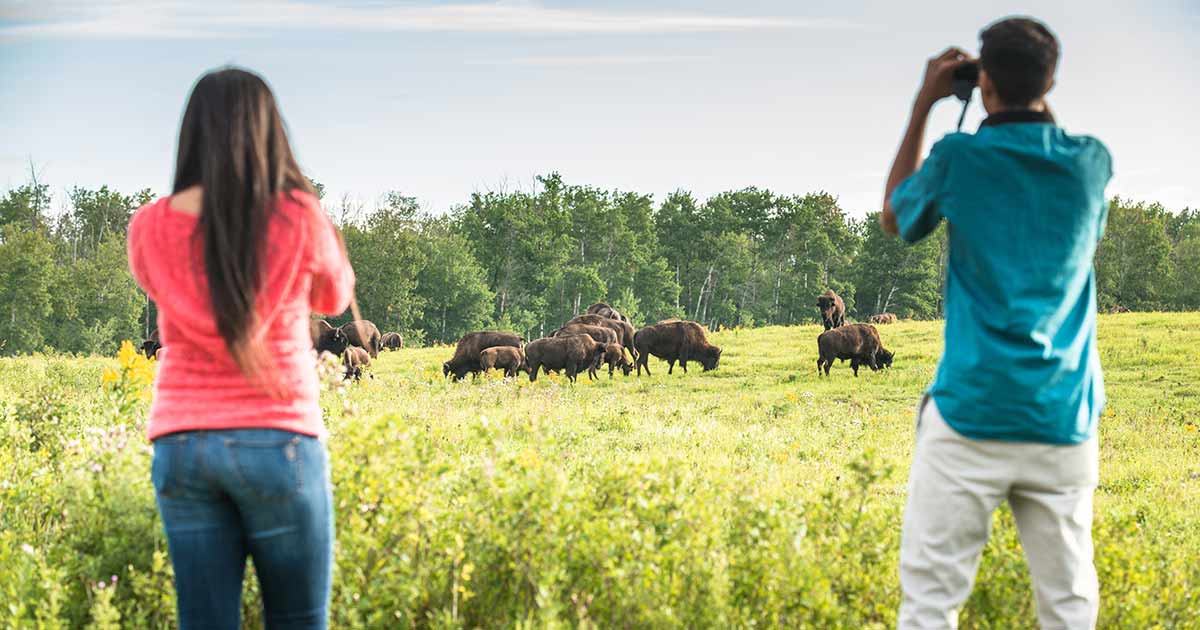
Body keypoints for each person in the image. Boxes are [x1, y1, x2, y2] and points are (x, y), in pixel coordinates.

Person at [880, 17, 1111, 629]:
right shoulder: (1091, 164)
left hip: (971, 412)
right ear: (1053, 78)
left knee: (930, 603)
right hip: (1063, 415)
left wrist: (924, 103)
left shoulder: (959, 158)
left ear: (982, 81)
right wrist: (1014, 98)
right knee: (1069, 604)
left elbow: (895, 218)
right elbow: (1044, 140)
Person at [127, 67, 355, 629]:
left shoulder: (150, 225)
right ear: (268, 132)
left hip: (181, 441)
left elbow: (162, 284)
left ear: (193, 134)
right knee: (299, 620)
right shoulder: (298, 216)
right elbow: (335, 295)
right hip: (278, 437)